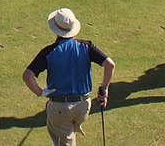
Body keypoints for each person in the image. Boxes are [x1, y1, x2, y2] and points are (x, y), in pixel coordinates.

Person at [22, 8, 115, 146]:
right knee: (68, 137)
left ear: (55, 29)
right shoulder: (86, 46)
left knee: (63, 141)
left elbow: (27, 75)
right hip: (83, 107)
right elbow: (110, 64)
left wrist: (40, 92)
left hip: (60, 108)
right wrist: (104, 89)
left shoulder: (48, 52)